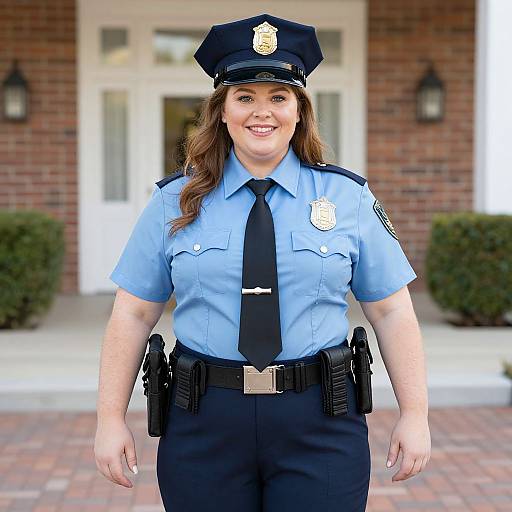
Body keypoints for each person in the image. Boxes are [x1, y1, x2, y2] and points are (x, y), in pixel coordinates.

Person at [94, 13, 431, 512]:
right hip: (204, 419)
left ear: (299, 111)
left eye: (278, 97)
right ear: (222, 111)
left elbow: (392, 311)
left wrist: (416, 413)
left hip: (320, 417)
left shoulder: (346, 198)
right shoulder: (175, 201)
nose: (262, 112)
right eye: (245, 97)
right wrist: (109, 418)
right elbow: (133, 313)